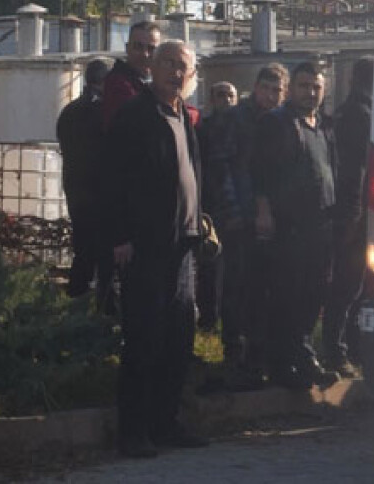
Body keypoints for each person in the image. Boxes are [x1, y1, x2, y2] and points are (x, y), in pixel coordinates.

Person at [105, 40, 210, 458]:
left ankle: (165, 424)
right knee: (143, 340)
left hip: (183, 246)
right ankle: (133, 432)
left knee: (177, 340)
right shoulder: (135, 116)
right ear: (152, 67)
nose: (175, 72)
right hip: (145, 247)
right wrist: (118, 237)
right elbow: (110, 181)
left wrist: (200, 218)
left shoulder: (183, 114)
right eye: (168, 63)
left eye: (182, 66)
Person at [253, 61, 338, 391]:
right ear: (292, 89)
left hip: (321, 223)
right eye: (304, 86)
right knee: (287, 295)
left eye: (316, 86)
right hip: (289, 225)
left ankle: (298, 357)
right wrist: (263, 212)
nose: (310, 92)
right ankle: (288, 363)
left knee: (314, 293)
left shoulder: (323, 125)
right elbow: (260, 172)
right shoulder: (277, 123)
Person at [204, 63, 287, 389]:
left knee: (262, 287)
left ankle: (258, 352)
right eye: (267, 88)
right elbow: (220, 166)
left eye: (277, 91)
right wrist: (232, 212)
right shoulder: (236, 118)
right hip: (239, 215)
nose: (271, 96)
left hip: (269, 220)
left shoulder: (279, 121)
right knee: (236, 286)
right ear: (256, 87)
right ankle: (233, 351)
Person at [322, 57, 373, 378]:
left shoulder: (349, 111)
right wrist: (354, 216)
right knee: (349, 285)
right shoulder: (360, 115)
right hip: (353, 212)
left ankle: (352, 347)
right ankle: (338, 349)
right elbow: (355, 172)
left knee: (356, 285)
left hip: (352, 210)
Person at [57, 58, 112, 303]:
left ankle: (77, 301)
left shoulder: (69, 111)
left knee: (83, 250)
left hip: (76, 188)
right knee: (104, 254)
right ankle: (101, 305)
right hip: (99, 190)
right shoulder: (102, 111)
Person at [194, 81, 236, 332]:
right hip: (210, 205)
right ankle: (208, 319)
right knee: (210, 264)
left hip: (235, 208)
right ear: (212, 100)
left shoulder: (243, 128)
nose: (226, 100)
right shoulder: (204, 129)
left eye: (230, 95)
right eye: (221, 95)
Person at [101, 21, 161, 129]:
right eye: (138, 47)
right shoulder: (118, 83)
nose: (145, 54)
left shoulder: (153, 82)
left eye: (151, 49)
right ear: (127, 48)